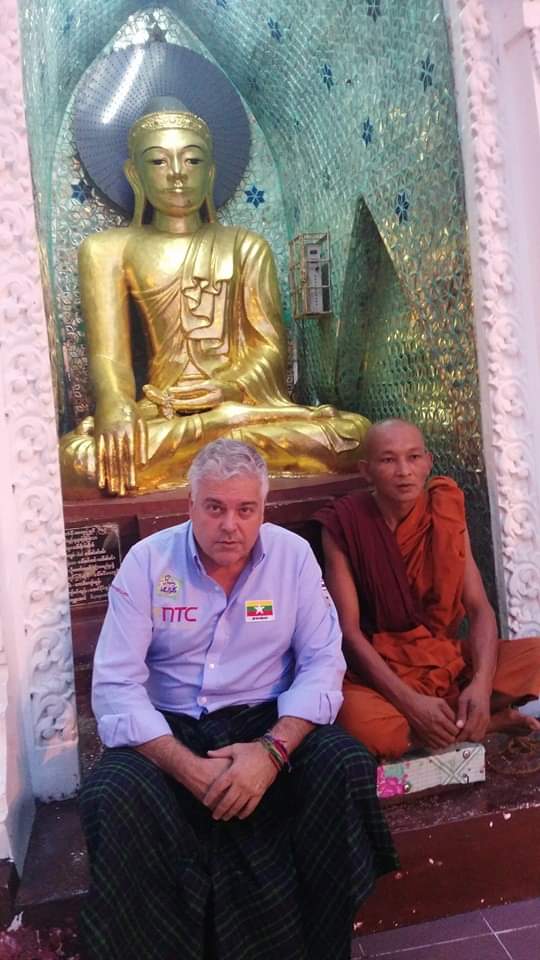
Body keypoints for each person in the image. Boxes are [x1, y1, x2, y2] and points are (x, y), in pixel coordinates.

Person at [79, 438, 397, 960]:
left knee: (344, 763)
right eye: (215, 508)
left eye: (245, 510)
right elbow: (116, 686)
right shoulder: (148, 563)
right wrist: (187, 767)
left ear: (262, 509)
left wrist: (272, 752)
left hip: (264, 722)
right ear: (190, 505)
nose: (230, 525)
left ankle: (323, 946)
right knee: (110, 794)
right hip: (169, 729)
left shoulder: (293, 558)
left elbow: (323, 662)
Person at [60, 101, 369, 498]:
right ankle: (223, 437)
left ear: (210, 173)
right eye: (158, 161)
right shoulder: (107, 249)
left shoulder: (245, 246)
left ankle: (219, 435)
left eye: (192, 160)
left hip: (241, 406)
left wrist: (228, 391)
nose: (177, 173)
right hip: (165, 412)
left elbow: (270, 350)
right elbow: (109, 358)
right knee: (78, 461)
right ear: (134, 174)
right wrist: (115, 407)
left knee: (355, 435)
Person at [316, 418, 540, 760]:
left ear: (428, 462)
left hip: (448, 662)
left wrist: (481, 685)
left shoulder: (444, 511)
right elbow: (349, 632)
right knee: (354, 719)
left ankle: (456, 718)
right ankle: (486, 724)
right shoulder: (346, 523)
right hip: (383, 673)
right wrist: (411, 703)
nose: (404, 471)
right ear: (366, 470)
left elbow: (479, 608)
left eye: (414, 457)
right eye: (388, 460)